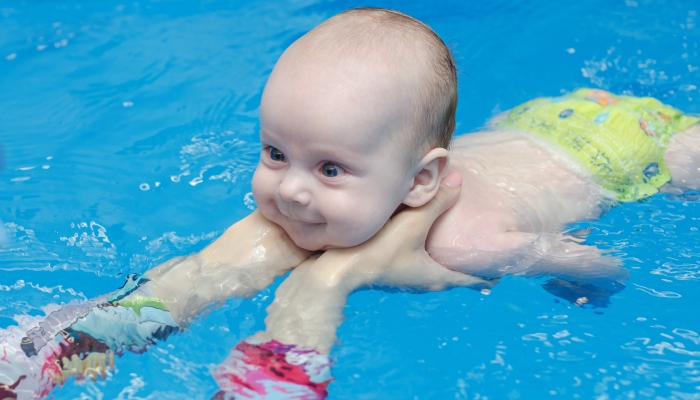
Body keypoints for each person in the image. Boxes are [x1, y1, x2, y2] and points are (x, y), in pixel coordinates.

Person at [3, 6, 700, 399]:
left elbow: (605, 265)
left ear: (420, 182)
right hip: (527, 123)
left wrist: (582, 281)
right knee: (222, 262)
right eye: (275, 153)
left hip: (618, 150)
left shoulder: (468, 241)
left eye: (329, 167)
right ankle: (45, 353)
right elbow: (203, 275)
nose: (291, 189)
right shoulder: (306, 208)